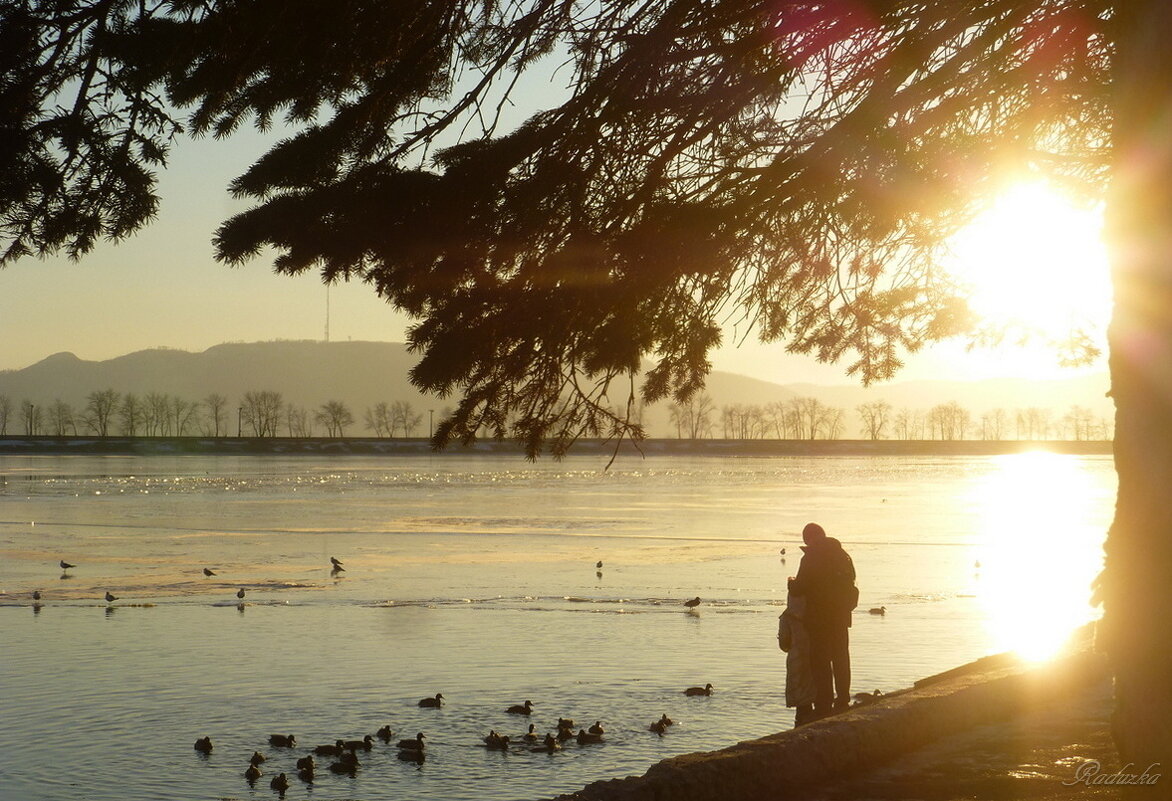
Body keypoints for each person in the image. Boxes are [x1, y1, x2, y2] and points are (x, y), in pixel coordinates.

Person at [789, 522, 857, 717]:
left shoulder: (811, 558)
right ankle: (843, 699)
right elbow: (851, 581)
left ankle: (824, 703)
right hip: (840, 617)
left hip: (818, 619)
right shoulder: (843, 555)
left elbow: (799, 588)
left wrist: (791, 583)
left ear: (809, 539)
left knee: (820, 661)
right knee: (841, 658)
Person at [778, 585, 816, 725]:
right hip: (815, 657)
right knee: (814, 690)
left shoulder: (787, 617)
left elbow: (784, 643)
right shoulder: (814, 613)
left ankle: (800, 721)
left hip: (796, 659)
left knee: (801, 697)